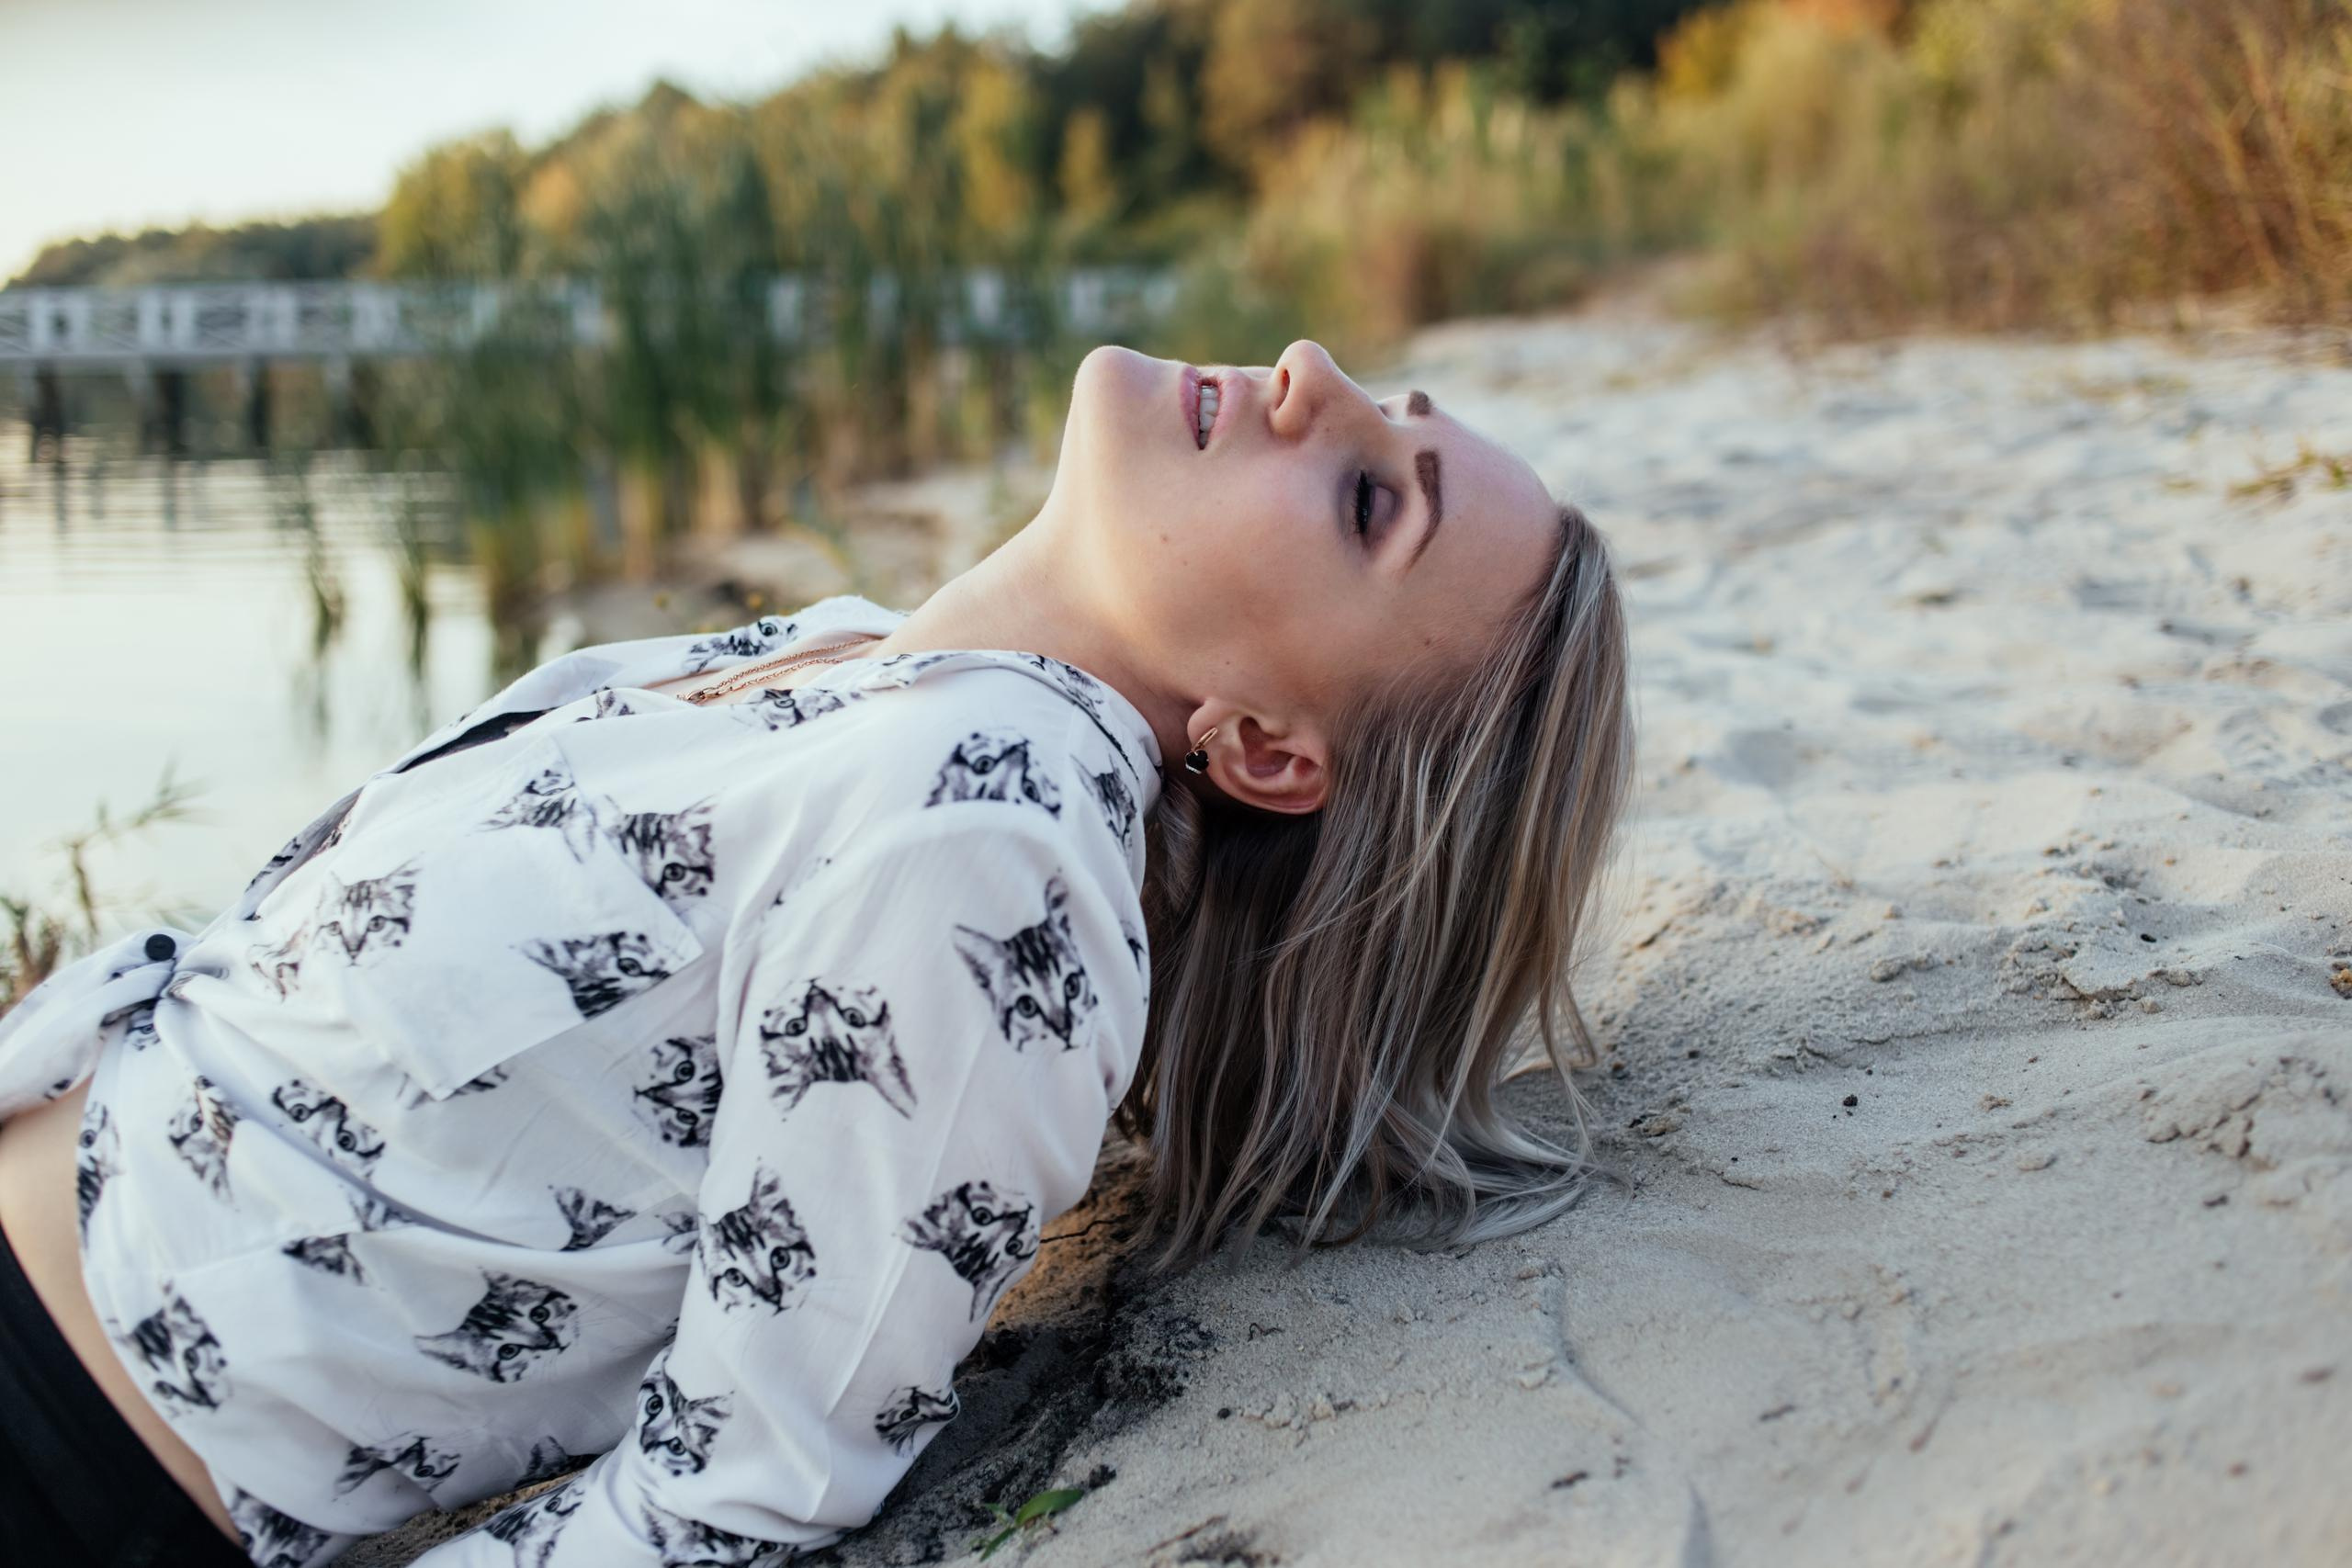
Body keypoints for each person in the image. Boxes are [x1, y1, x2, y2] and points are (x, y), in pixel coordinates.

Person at [0, 338, 1634, 1568]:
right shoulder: (864, 659)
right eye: (1386, 405)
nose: (1311, 372)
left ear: (1267, 748)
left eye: (1368, 502)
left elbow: (745, 1481)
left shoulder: (986, 840)